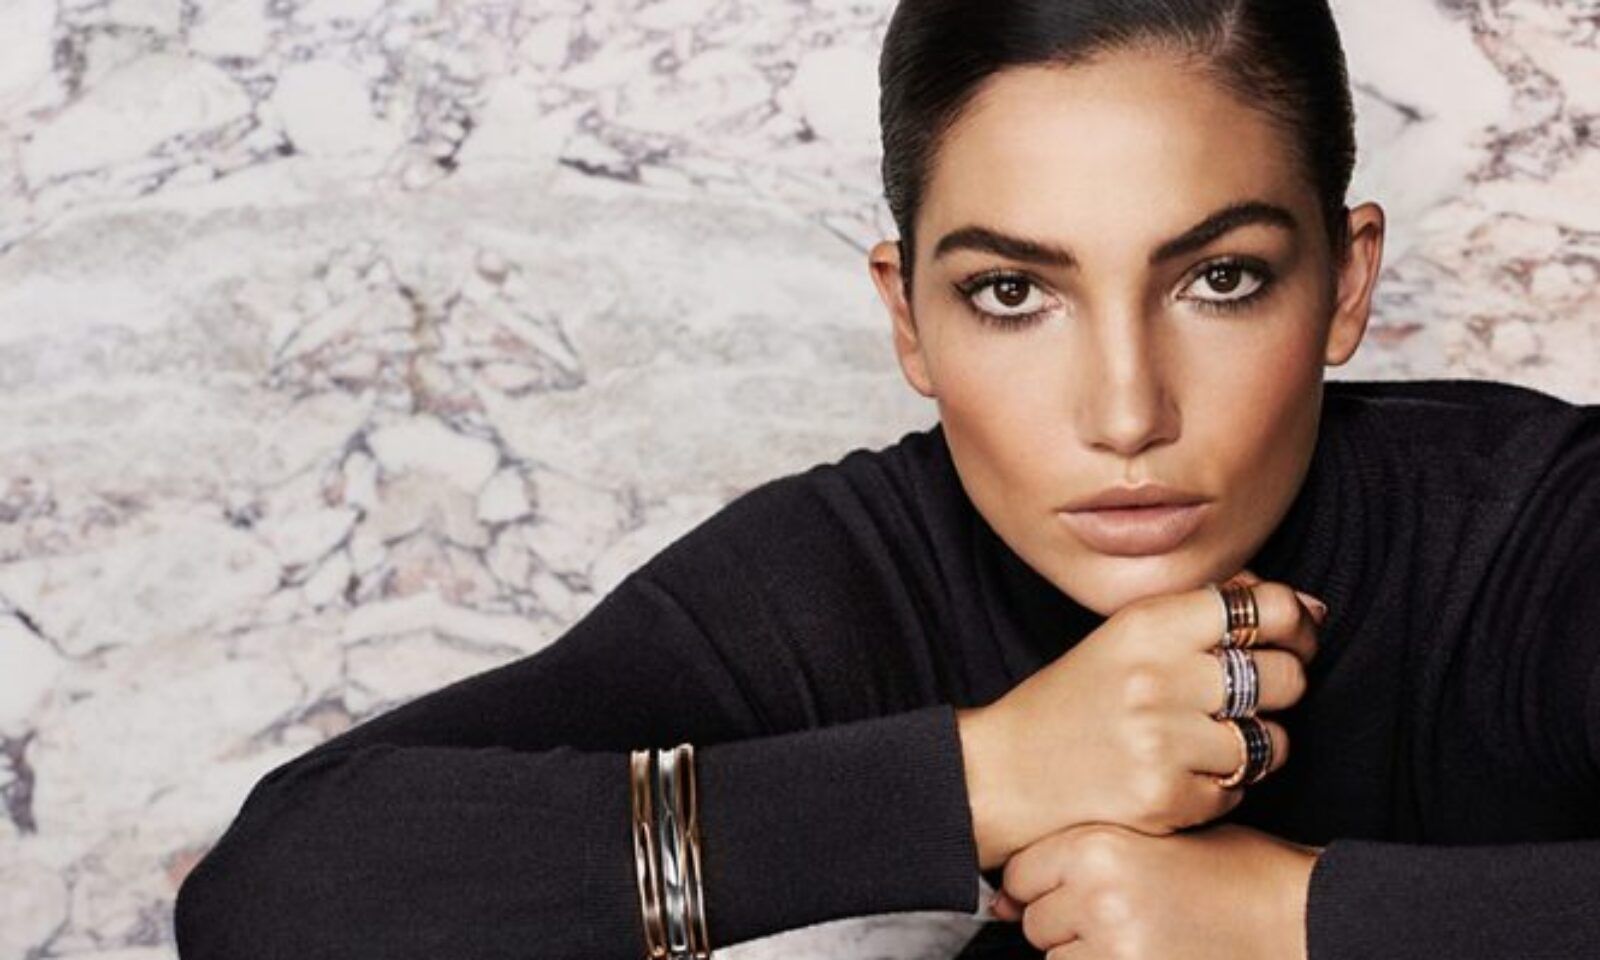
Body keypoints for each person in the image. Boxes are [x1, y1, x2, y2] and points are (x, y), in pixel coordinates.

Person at [173, 0, 1600, 957]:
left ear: (1345, 284)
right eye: (1013, 293)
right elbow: (278, 900)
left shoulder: (1531, 528)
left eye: (1219, 278)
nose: (1126, 412)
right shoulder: (853, 575)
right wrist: (982, 775)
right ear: (908, 319)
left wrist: (1298, 920)